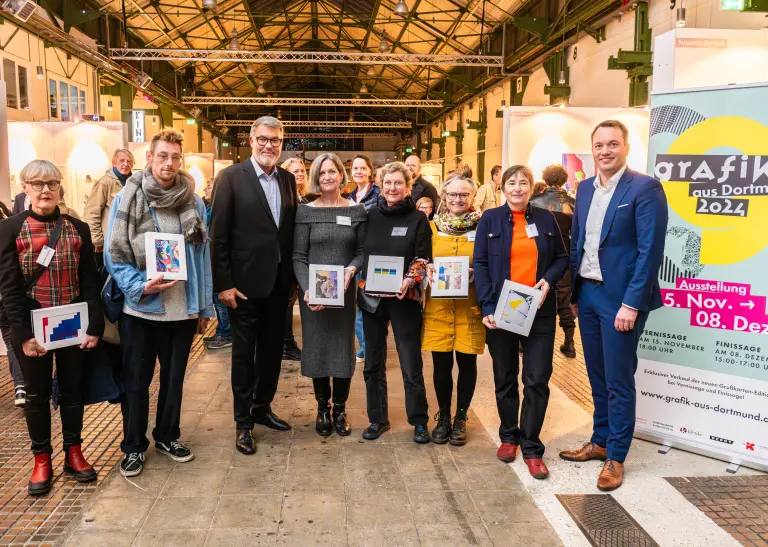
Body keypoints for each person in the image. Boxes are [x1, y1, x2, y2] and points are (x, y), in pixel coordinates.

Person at [559, 120, 668, 491]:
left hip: (621, 299)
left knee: (619, 380)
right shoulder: (586, 188)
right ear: (592, 149)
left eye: (613, 144)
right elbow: (580, 243)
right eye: (599, 145)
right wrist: (575, 295)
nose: (605, 151)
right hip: (588, 295)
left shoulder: (645, 188)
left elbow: (649, 252)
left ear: (625, 148)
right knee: (597, 376)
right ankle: (600, 439)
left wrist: (632, 304)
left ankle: (616, 457)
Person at [105, 128, 213, 478]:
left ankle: (167, 436)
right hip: (140, 309)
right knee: (136, 382)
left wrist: (204, 307)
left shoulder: (193, 202)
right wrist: (139, 285)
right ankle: (133, 446)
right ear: (149, 158)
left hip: (182, 310)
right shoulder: (128, 198)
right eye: (162, 156)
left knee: (174, 380)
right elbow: (113, 254)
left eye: (175, 157)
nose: (169, 163)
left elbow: (201, 259)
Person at [0, 160, 103, 496]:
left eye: (52, 183)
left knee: (73, 390)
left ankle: (74, 452)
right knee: (36, 394)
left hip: (71, 324)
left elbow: (89, 281)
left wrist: (93, 325)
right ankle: (41, 458)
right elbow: (10, 288)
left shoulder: (77, 228)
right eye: (37, 183)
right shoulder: (11, 229)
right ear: (25, 187)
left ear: (60, 187)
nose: (45, 190)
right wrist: (24, 336)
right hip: (31, 326)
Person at [210, 116, 298, 456]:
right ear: (251, 139)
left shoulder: (288, 180)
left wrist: (292, 281)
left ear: (281, 143)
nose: (268, 145)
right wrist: (224, 285)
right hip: (243, 287)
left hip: (279, 286)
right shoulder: (231, 178)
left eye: (275, 140)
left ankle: (263, 407)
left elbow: (286, 235)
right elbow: (218, 236)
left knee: (273, 353)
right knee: (245, 356)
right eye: (262, 139)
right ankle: (243, 422)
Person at [474, 165, 568, 479]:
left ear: (531, 187)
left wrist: (547, 282)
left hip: (538, 310)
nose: (517, 187)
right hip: (502, 310)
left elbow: (561, 258)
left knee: (537, 378)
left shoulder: (545, 219)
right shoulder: (490, 219)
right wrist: (486, 304)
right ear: (502, 187)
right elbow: (482, 263)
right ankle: (508, 435)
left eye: (523, 182)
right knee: (505, 376)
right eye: (511, 182)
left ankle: (531, 446)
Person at [293, 153, 366, 436]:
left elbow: (361, 252)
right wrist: (308, 289)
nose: (327, 177)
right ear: (316, 177)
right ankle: (322, 408)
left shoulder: (356, 211)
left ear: (341, 175)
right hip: (314, 294)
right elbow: (298, 256)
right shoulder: (306, 212)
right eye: (322, 172)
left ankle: (340, 409)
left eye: (332, 171)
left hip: (345, 295)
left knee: (343, 348)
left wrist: (351, 269)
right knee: (317, 348)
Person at [359, 161, 432, 443]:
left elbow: (423, 257)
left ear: (408, 186)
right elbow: (360, 252)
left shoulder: (418, 219)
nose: (392, 188)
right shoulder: (368, 215)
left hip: (405, 298)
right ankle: (377, 418)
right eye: (387, 182)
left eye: (398, 183)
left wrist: (411, 279)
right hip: (371, 300)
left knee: (410, 362)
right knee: (373, 363)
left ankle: (419, 421)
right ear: (379, 184)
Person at [422, 176, 485, 446]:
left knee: (467, 363)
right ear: (443, 197)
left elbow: (491, 264)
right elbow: (420, 260)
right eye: (452, 195)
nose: (457, 200)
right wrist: (426, 269)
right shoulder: (430, 228)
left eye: (464, 195)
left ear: (472, 197)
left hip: (470, 309)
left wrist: (477, 274)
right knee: (441, 365)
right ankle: (444, 415)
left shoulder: (483, 229)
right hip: (438, 309)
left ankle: (461, 417)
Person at [530, 164, 577, 358]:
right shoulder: (574, 203)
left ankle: (527, 341)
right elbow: (577, 235)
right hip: (564, 256)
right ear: (564, 179)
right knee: (564, 299)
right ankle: (569, 342)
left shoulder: (533, 201)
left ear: (545, 178)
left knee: (534, 293)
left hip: (539, 254)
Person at [347, 155, 380, 364]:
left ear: (369, 171)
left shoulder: (378, 194)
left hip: (373, 254)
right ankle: (366, 347)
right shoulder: (349, 196)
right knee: (357, 304)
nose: (358, 171)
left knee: (370, 303)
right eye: (355, 168)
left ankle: (371, 348)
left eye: (362, 168)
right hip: (354, 255)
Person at [280, 158, 313, 361]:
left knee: (290, 302)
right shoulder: (285, 199)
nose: (300, 174)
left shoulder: (302, 197)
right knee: (286, 302)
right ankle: (286, 343)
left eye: (302, 171)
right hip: (287, 256)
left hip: (300, 256)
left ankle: (287, 342)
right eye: (294, 171)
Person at [84, 149, 135, 269]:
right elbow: (91, 213)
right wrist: (99, 242)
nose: (125, 164)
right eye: (121, 161)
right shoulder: (104, 182)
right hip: (108, 247)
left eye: (129, 161)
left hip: (128, 246)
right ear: (114, 162)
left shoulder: (133, 183)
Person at [202, 178, 232, 350]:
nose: (206, 189)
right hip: (209, 259)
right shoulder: (208, 207)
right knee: (215, 297)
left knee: (220, 299)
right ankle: (221, 330)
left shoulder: (217, 210)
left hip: (216, 260)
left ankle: (226, 333)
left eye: (209, 186)